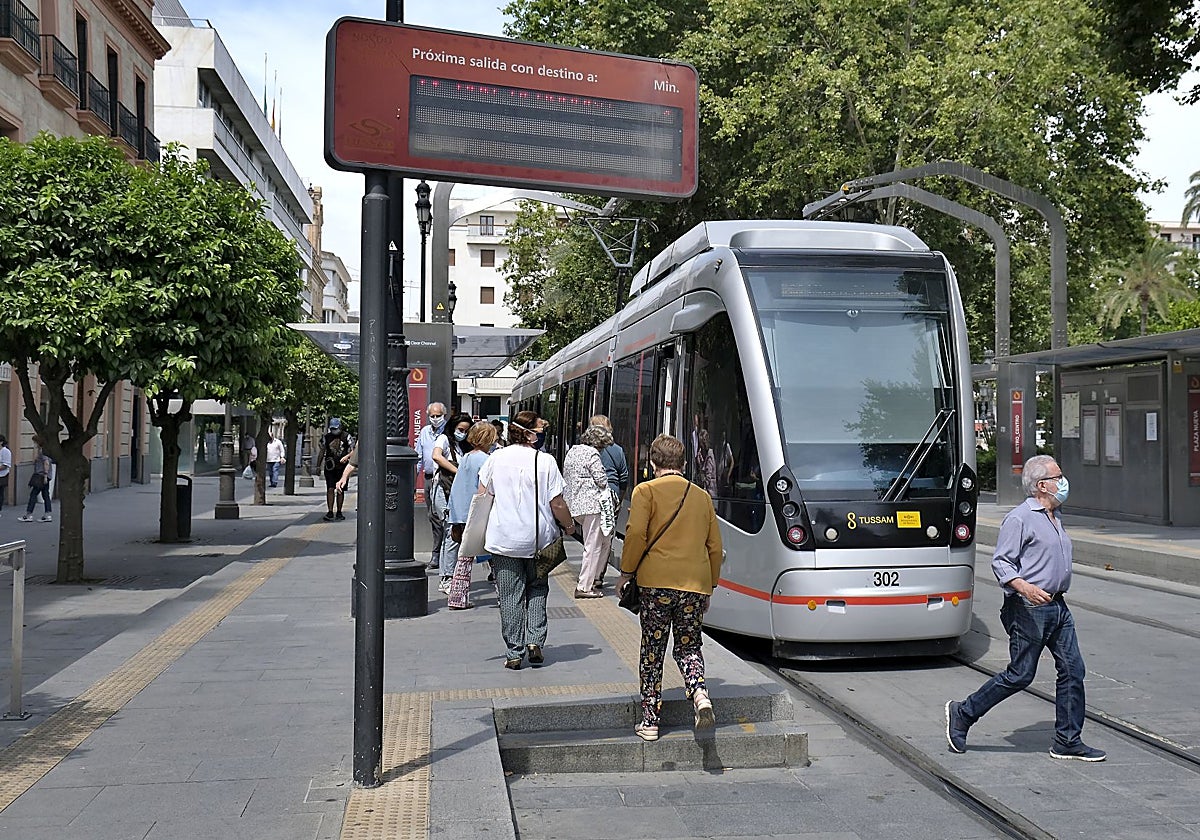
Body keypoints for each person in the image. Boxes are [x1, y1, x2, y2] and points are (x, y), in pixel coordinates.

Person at [945, 455, 1106, 762]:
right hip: (1028, 607)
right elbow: (1001, 562)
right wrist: (1026, 588)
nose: (1063, 482)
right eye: (1058, 477)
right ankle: (963, 713)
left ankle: (1067, 741)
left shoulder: (1055, 515)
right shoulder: (1020, 518)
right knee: (1020, 674)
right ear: (1042, 485)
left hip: (1057, 605)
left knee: (1073, 670)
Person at [618, 434, 723, 743]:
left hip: (655, 585)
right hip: (694, 584)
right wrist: (709, 585)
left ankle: (650, 721)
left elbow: (636, 534)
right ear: (684, 463)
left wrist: (625, 573)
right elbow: (714, 547)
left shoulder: (645, 491)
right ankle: (699, 692)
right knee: (689, 646)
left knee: (653, 650)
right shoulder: (701, 496)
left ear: (653, 463)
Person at [478, 410, 576, 670]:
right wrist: (569, 525)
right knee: (537, 588)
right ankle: (535, 641)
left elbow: (482, 496)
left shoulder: (495, 458)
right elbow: (557, 502)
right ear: (530, 434)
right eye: (541, 429)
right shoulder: (545, 461)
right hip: (538, 540)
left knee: (510, 596)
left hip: (503, 539)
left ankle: (514, 652)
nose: (543, 433)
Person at [447, 420, 499, 609]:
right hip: (479, 513)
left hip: (461, 512)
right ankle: (504, 595)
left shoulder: (467, 458)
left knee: (464, 556)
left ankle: (457, 597)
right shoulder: (486, 460)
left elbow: (458, 487)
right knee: (496, 556)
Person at [562, 425, 614, 599]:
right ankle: (585, 586)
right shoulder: (592, 454)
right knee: (593, 546)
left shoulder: (572, 451)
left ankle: (594, 577)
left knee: (605, 540)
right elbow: (601, 480)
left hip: (575, 505)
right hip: (591, 505)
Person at [431, 413, 473, 594]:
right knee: (451, 532)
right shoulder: (444, 439)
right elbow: (436, 456)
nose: (463, 433)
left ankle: (447, 575)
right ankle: (447, 577)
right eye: (460, 429)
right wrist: (458, 471)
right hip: (443, 491)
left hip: (455, 492)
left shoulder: (462, 447)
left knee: (451, 533)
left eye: (466, 431)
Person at [590, 414, 629, 589]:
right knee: (606, 537)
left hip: (591, 495)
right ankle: (598, 575)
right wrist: (619, 499)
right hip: (610, 496)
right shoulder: (617, 450)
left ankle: (588, 574)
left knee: (591, 536)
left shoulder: (586, 448)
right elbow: (624, 477)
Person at [416, 402, 448, 569]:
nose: (435, 419)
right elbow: (419, 458)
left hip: (445, 479)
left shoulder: (448, 432)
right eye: (432, 416)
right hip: (429, 479)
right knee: (433, 516)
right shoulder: (424, 432)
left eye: (438, 415)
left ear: (444, 415)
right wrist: (413, 482)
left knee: (446, 517)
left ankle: (445, 553)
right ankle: (436, 554)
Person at [319, 418, 352, 521]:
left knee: (340, 490)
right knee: (330, 489)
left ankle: (339, 511)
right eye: (332, 429)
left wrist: (347, 457)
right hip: (330, 467)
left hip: (342, 467)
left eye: (336, 428)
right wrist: (318, 465)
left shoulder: (346, 436)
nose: (334, 431)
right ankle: (330, 511)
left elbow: (354, 450)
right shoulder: (327, 437)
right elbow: (322, 451)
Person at [18, 437, 53, 522]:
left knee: (33, 494)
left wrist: (45, 475)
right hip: (45, 476)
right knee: (46, 495)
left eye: (34, 442)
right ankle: (47, 515)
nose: (34, 443)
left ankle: (29, 514)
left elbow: (45, 463)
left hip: (41, 476)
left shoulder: (42, 451)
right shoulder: (47, 451)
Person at [0, 434, 12, 518]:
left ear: (1, 442)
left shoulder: (5, 451)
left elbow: (6, 465)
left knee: (0, 493)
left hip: (2, 475)